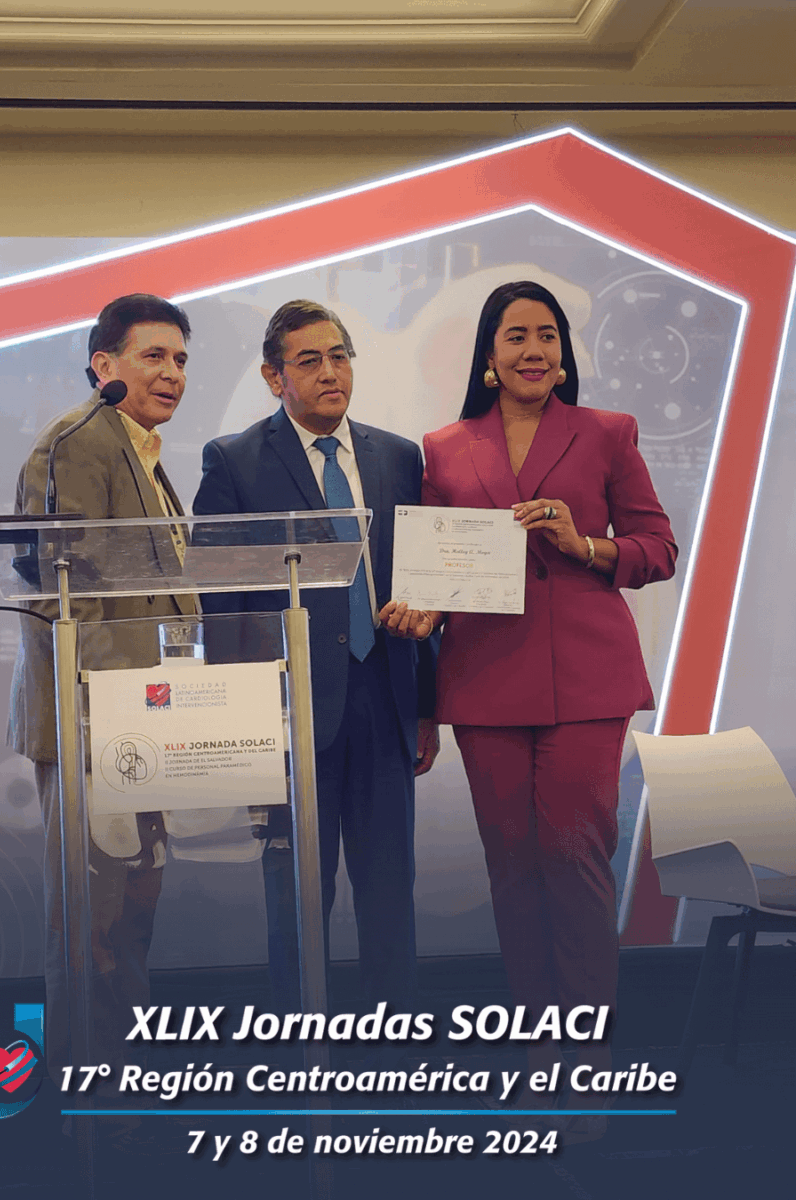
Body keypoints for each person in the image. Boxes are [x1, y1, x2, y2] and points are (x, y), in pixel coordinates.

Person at [382, 281, 677, 1126]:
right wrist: (422, 609)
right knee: (513, 869)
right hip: (485, 680)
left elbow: (658, 547)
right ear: (489, 356)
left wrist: (582, 543)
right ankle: (540, 1059)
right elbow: (438, 568)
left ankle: (587, 1067)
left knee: (574, 862)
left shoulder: (608, 432)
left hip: (587, 680)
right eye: (516, 336)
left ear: (563, 352)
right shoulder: (444, 447)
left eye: (547, 335)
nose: (534, 350)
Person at [193, 298, 440, 1007]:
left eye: (340, 356)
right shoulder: (235, 461)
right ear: (275, 378)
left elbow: (420, 579)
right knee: (298, 896)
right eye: (310, 361)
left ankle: (394, 1042)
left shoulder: (399, 457)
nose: (331, 372)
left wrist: (426, 705)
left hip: (385, 700)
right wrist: (242, 721)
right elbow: (220, 601)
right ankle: (304, 1044)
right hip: (290, 714)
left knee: (390, 891)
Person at [7, 293, 195, 1079]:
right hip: (98, 728)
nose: (172, 372)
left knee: (128, 920)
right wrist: (119, 713)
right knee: (92, 926)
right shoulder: (78, 444)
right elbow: (69, 597)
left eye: (180, 359)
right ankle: (92, 1106)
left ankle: (123, 1089)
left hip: (140, 725)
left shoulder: (141, 450)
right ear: (103, 365)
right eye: (154, 356)